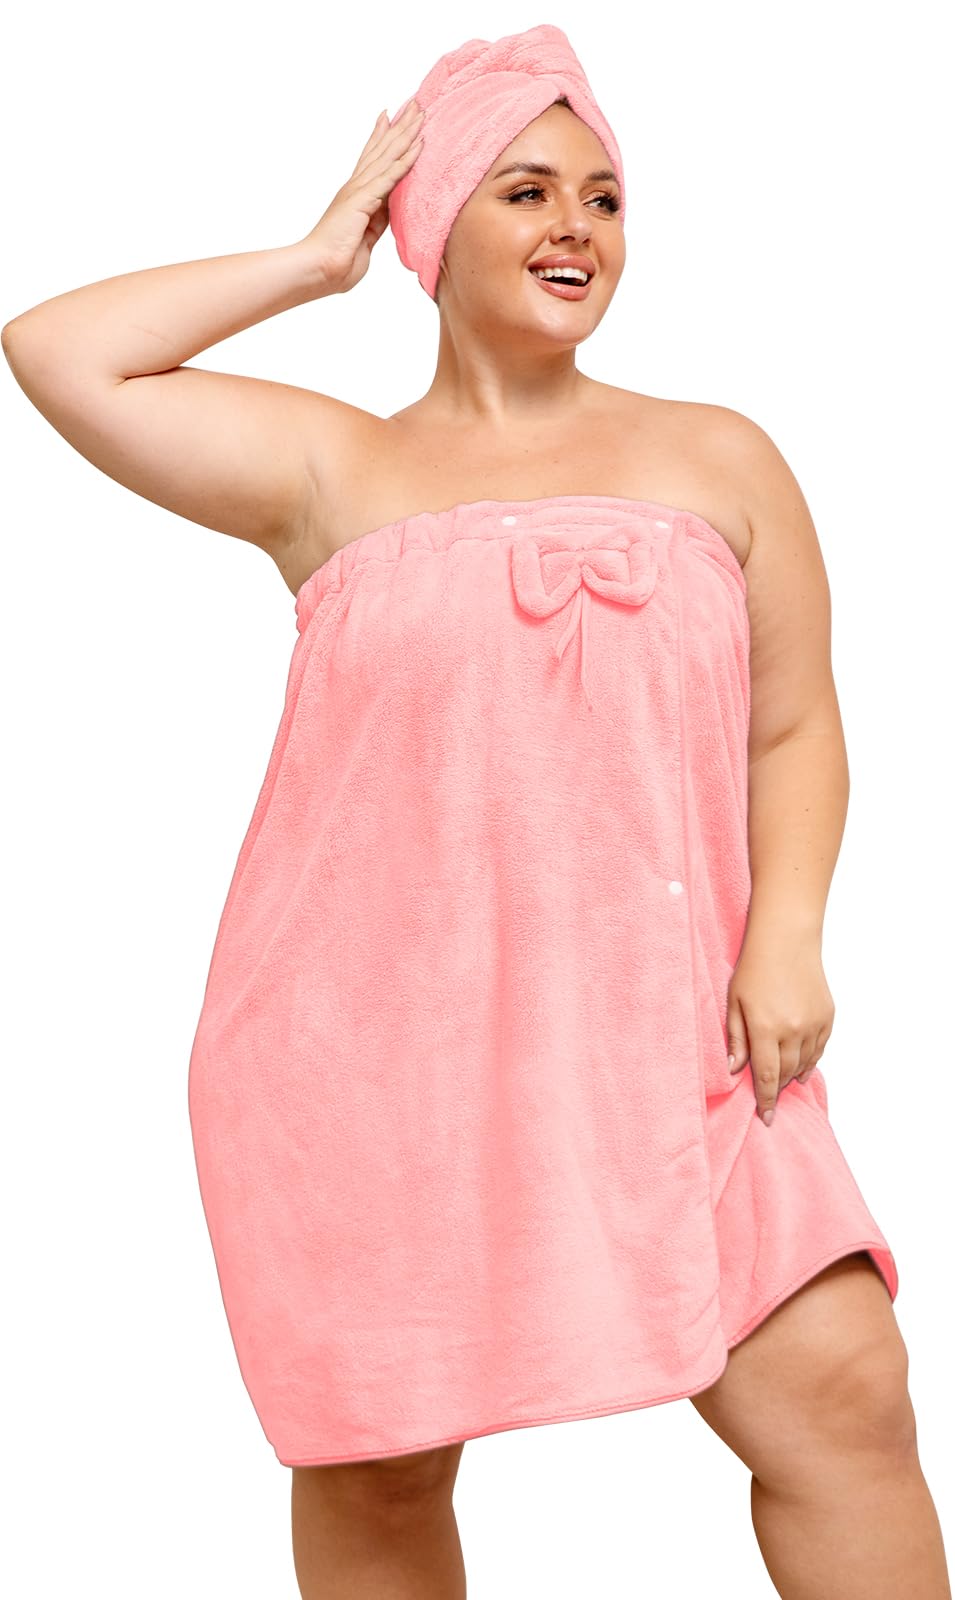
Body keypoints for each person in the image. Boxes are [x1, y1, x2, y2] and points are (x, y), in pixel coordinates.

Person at [3, 23, 949, 1600]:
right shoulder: (335, 465)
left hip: (681, 1037)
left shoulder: (719, 455)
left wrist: (788, 934)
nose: (578, 225)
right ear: (432, 222)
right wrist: (316, 257)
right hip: (375, 1055)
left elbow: (795, 726)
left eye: (604, 196)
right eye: (525, 189)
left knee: (843, 1391)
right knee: (378, 1463)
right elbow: (57, 351)